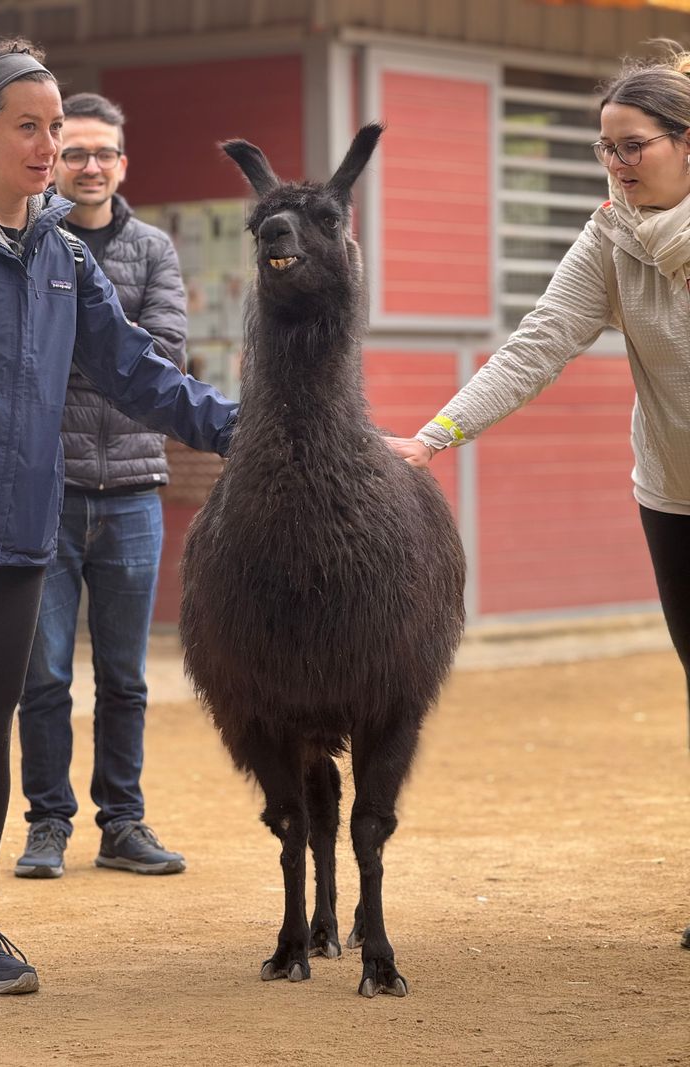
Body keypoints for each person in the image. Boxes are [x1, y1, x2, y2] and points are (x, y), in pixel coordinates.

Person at [0, 40, 237, 995]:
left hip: (14, 536)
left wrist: (250, 427)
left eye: (56, 129)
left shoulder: (59, 253)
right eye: (30, 129)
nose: (50, 147)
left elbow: (136, 371)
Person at [384, 44, 690, 948]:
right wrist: (437, 436)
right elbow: (540, 342)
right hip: (672, 492)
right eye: (605, 148)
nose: (616, 164)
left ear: (686, 143)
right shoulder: (613, 233)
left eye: (632, 146)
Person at [15, 93, 186, 881]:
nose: (89, 165)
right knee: (43, 674)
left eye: (103, 153)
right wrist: (114, 352)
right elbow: (19, 358)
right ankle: (46, 822)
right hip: (44, 495)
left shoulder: (154, 249)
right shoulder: (25, 241)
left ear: (124, 163)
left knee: (124, 675)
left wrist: (81, 344)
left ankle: (123, 823)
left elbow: (166, 356)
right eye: (75, 151)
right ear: (56, 158)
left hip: (133, 495)